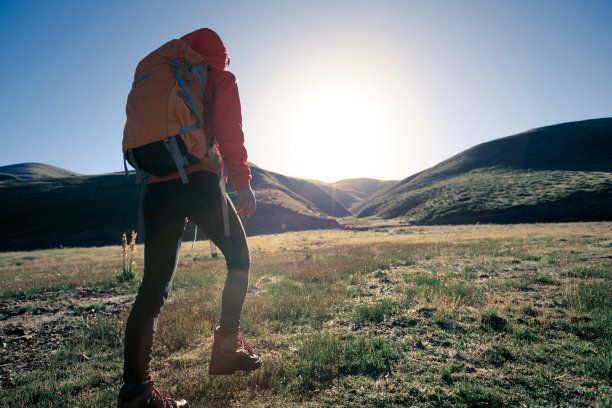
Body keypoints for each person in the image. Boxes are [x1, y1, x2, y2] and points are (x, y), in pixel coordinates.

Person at [118, 28, 260, 408]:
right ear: (221, 58)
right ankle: (226, 349)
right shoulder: (219, 77)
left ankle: (137, 394)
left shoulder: (163, 72)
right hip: (198, 180)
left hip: (156, 187)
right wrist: (242, 183)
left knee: (153, 287)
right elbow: (230, 130)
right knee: (240, 259)